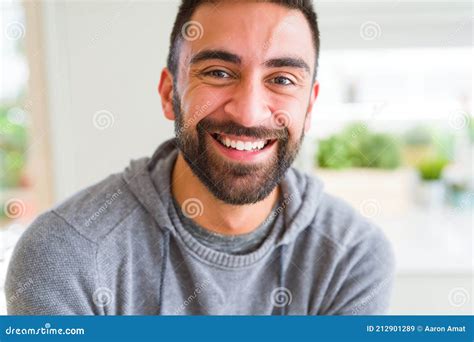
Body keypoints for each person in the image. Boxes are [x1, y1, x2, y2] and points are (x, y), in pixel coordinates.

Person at [5, 0, 395, 315]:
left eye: (281, 79)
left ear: (309, 108)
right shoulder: (65, 255)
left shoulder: (352, 256)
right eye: (219, 72)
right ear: (168, 93)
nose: (248, 113)